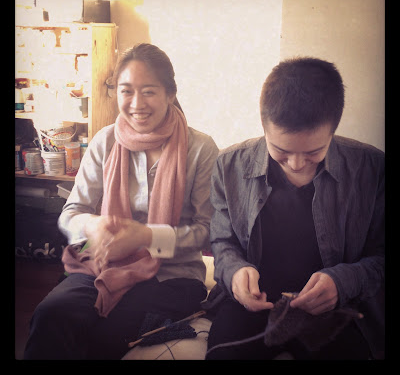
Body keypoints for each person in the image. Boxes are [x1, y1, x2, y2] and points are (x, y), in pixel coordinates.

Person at [24, 43, 219, 360]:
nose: (136, 103)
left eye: (149, 91)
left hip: (173, 274)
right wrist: (93, 226)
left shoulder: (200, 148)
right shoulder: (105, 141)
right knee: (51, 314)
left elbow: (207, 231)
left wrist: (147, 237)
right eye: (126, 91)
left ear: (170, 94)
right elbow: (71, 213)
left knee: (105, 335)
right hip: (104, 263)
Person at [206, 57, 384, 360]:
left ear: (333, 130)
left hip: (336, 310)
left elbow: (380, 256)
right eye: (281, 151)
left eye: (314, 151)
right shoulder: (229, 165)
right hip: (252, 306)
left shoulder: (371, 169)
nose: (297, 164)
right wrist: (236, 273)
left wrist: (343, 282)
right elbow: (223, 241)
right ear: (264, 127)